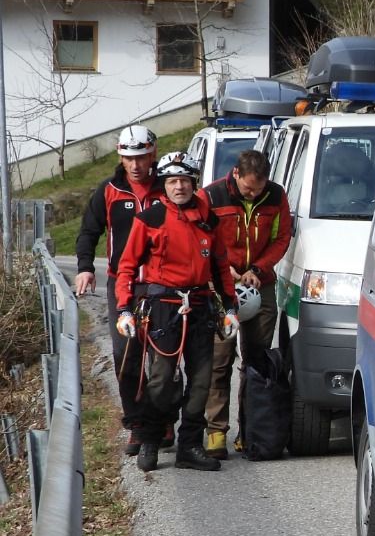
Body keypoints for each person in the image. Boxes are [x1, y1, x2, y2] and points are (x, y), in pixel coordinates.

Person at [115, 153, 239, 474]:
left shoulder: (208, 220)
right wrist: (124, 308)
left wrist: (230, 308)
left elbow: (220, 266)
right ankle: (151, 440)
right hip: (163, 308)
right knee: (161, 379)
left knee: (201, 380)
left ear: (193, 183)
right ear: (164, 185)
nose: (179, 187)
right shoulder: (150, 219)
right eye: (172, 182)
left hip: (200, 306)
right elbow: (127, 267)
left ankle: (190, 446)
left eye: (184, 181)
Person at [75, 124, 162, 455]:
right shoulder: (109, 190)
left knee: (163, 355)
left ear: (152, 154)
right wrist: (85, 267)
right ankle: (137, 424)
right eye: (129, 158)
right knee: (125, 353)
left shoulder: (167, 187)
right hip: (122, 284)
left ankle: (163, 419)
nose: (135, 165)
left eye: (141, 157)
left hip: (161, 283)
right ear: (120, 156)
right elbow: (89, 231)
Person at [202, 149, 293, 458]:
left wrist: (259, 269)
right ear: (236, 174)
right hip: (221, 287)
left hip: (259, 285)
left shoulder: (276, 196)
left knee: (255, 362)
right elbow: (200, 238)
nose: (253, 194)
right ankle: (216, 431)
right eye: (248, 188)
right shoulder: (211, 196)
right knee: (219, 359)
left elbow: (282, 238)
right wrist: (221, 269)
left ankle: (250, 432)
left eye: (259, 188)